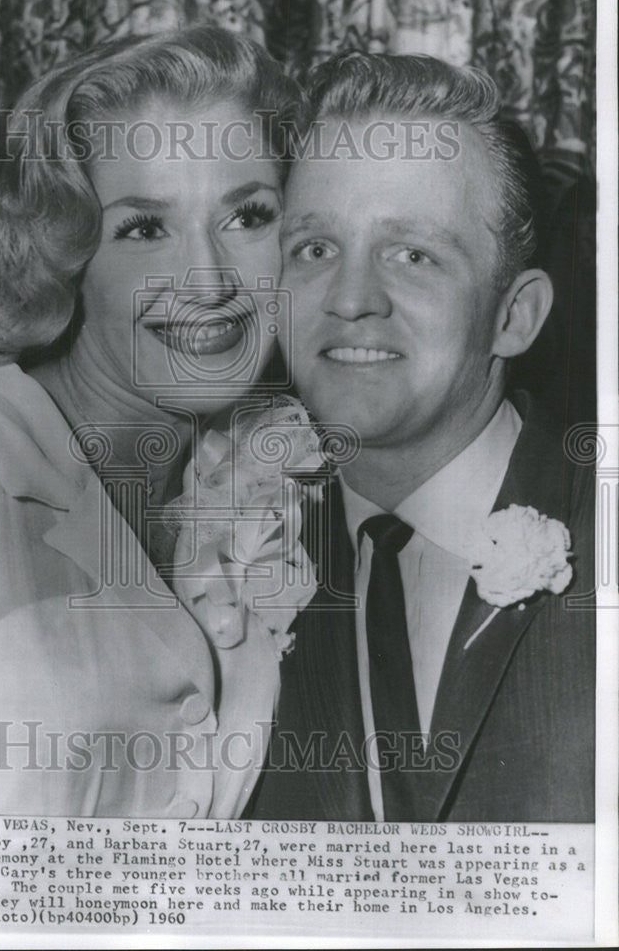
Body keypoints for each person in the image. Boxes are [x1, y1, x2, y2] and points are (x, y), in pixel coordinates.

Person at [0, 27, 306, 817]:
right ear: (60, 257)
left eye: (247, 215)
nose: (208, 279)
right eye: (144, 228)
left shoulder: (266, 488)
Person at [248, 53, 595, 822]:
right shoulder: (231, 555)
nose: (348, 299)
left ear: (513, 316)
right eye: (314, 249)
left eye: (412, 254)